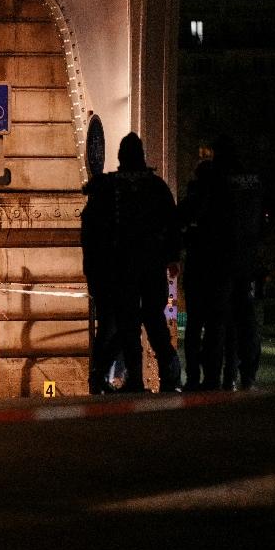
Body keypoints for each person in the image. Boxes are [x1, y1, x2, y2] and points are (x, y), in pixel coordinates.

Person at [81, 133, 182, 394]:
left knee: (127, 324)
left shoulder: (109, 186)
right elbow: (172, 225)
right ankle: (168, 376)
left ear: (120, 157)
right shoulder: (156, 186)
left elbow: (93, 230)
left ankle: (134, 378)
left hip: (120, 266)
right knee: (155, 321)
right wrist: (172, 258)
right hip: (151, 265)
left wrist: (93, 269)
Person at [180, 134, 264, 390]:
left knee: (217, 320)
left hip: (219, 259)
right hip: (248, 259)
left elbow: (191, 212)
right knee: (244, 319)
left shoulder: (215, 179)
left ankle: (213, 377)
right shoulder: (253, 179)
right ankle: (246, 373)